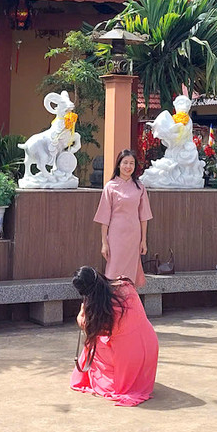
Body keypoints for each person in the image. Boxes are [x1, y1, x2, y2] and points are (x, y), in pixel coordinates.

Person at [70, 265, 158, 406]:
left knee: (94, 343)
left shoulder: (99, 310)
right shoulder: (124, 284)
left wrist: (82, 313)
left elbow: (88, 328)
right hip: (149, 345)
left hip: (129, 357)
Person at [95, 150, 152, 288]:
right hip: (115, 235)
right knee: (113, 269)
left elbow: (144, 216)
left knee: (130, 272)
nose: (128, 166)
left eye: (132, 163)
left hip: (134, 235)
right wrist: (104, 242)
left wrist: (143, 241)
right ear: (119, 164)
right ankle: (112, 304)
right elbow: (104, 217)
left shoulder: (139, 187)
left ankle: (128, 304)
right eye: (125, 162)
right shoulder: (110, 187)